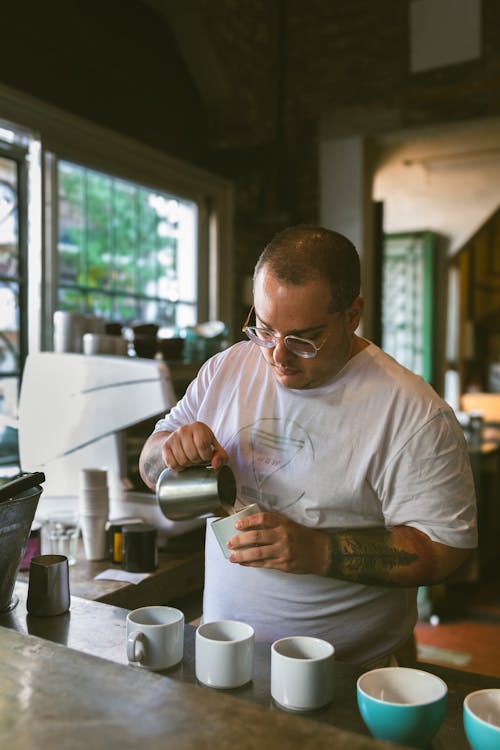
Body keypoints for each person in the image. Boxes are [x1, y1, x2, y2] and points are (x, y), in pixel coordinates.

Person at [139, 224, 477, 667]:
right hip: (224, 656)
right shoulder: (226, 369)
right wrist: (171, 450)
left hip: (349, 673)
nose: (278, 356)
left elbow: (446, 548)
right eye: (263, 329)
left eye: (304, 338)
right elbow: (149, 465)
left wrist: (319, 551)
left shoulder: (411, 410)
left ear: (352, 315)